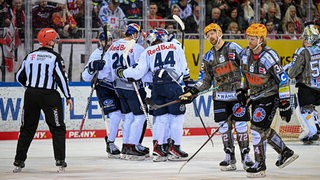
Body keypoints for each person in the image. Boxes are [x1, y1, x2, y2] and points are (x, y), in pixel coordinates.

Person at [179, 23, 254, 171]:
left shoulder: (234, 48)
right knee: (224, 127)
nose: (210, 37)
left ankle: (246, 156)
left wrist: (246, 88)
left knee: (240, 125)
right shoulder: (208, 57)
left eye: (212, 33)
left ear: (219, 33)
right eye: (207, 35)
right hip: (220, 97)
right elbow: (205, 81)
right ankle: (229, 156)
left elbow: (247, 66)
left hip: (237, 95)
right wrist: (193, 92)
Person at [116, 28, 190, 162]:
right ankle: (174, 148)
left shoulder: (147, 51)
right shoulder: (175, 45)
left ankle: (158, 149)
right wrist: (188, 84)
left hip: (157, 86)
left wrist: (125, 73)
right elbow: (183, 67)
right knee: (176, 117)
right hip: (173, 85)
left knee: (160, 118)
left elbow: (140, 73)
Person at [239, 23, 298, 177]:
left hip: (270, 96)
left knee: (257, 129)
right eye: (248, 37)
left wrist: (285, 103)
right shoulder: (245, 54)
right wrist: (243, 91)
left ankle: (260, 165)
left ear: (261, 39)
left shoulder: (268, 56)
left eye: (253, 38)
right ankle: (285, 152)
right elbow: (245, 75)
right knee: (262, 129)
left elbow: (283, 80)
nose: (249, 41)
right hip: (256, 97)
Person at [13, 28, 73, 173]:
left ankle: (18, 162)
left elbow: (19, 76)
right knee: (58, 128)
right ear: (50, 41)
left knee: (27, 128)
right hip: (50, 96)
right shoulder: (55, 57)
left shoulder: (30, 56)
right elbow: (61, 78)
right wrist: (68, 96)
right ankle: (60, 161)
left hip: (31, 94)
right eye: (54, 39)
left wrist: (31, 88)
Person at [105, 23, 149, 161]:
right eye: (139, 34)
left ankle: (125, 146)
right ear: (134, 34)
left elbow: (107, 68)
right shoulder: (136, 48)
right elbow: (141, 69)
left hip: (118, 86)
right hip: (133, 87)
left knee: (129, 116)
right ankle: (132, 146)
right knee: (140, 116)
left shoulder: (113, 46)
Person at [81, 30, 124, 158]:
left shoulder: (117, 51)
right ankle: (110, 142)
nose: (107, 43)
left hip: (119, 86)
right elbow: (85, 77)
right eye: (105, 40)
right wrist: (92, 67)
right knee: (115, 115)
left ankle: (129, 145)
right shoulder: (96, 54)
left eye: (109, 40)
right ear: (100, 41)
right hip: (104, 87)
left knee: (127, 116)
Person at [287, 22, 320, 144]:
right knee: (311, 109)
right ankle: (316, 126)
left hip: (307, 86)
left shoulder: (303, 51)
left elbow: (294, 71)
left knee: (304, 110)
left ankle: (312, 131)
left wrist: (290, 75)